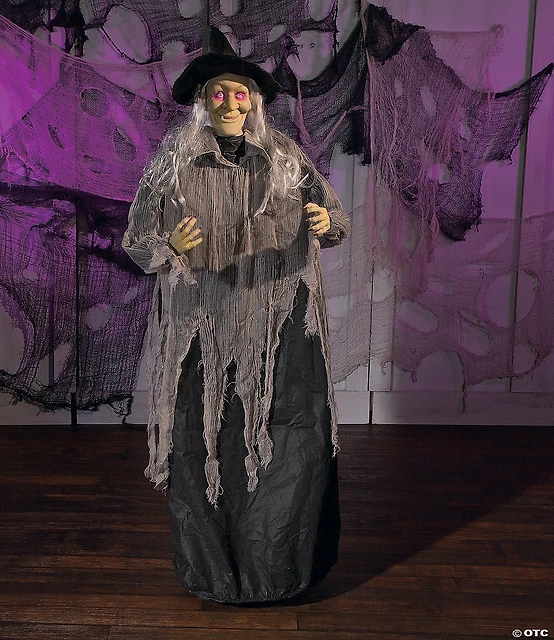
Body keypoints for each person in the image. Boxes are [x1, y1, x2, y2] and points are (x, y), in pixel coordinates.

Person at [122, 27, 350, 604]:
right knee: (207, 442)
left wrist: (327, 223)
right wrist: (169, 245)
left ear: (254, 102)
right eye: (218, 93)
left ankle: (278, 569)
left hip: (282, 328)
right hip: (204, 328)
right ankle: (216, 572)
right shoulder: (172, 166)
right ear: (203, 101)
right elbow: (137, 242)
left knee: (287, 440)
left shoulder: (286, 160)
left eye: (239, 93)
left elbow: (334, 216)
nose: (229, 103)